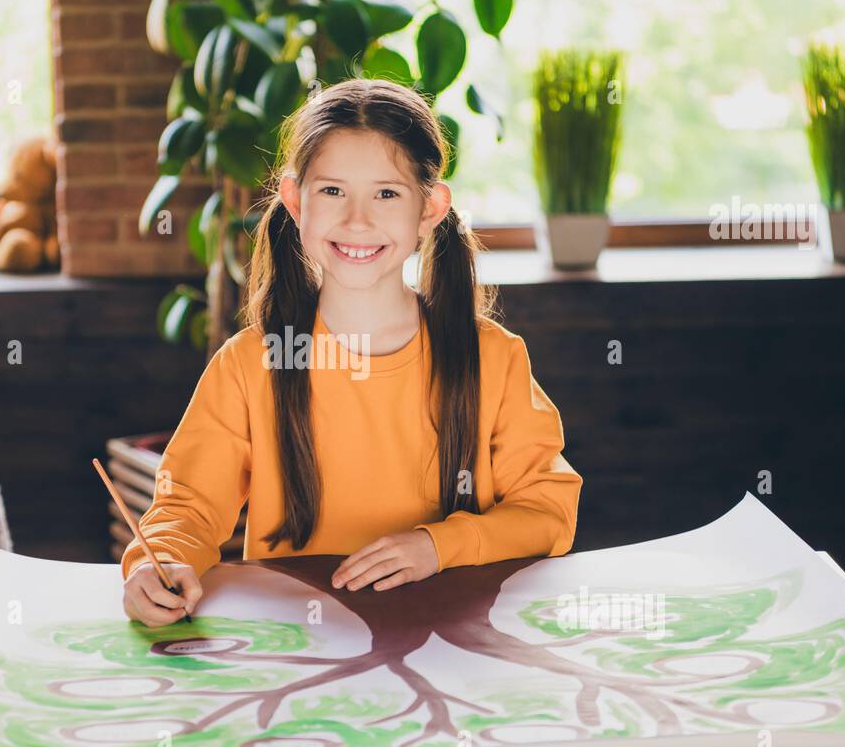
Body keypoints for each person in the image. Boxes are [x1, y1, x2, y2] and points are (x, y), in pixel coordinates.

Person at [121, 78, 582, 626]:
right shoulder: (252, 363)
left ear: (430, 208)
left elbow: (549, 511)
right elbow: (188, 505)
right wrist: (160, 561)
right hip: (300, 643)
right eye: (333, 191)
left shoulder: (493, 358)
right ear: (295, 201)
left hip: (454, 642)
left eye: (387, 193)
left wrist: (441, 545)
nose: (357, 220)